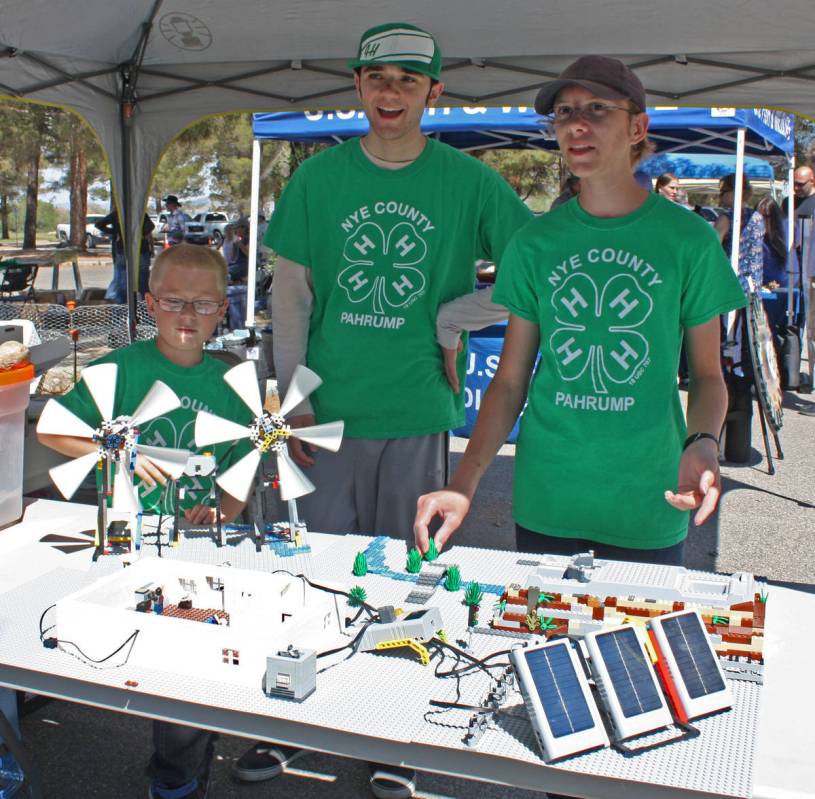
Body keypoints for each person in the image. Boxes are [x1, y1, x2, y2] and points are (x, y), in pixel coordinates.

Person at [242, 21, 532, 799]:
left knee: (403, 579)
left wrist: (454, 317)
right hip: (323, 416)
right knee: (305, 578)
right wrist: (290, 398)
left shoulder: (467, 182)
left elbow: (531, 266)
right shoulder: (319, 178)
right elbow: (291, 295)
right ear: (358, 87)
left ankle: (388, 734)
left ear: (435, 92)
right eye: (377, 77)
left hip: (413, 411)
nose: (391, 91)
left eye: (409, 78)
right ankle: (285, 721)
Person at [414, 56, 745, 581]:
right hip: (549, 497)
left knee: (637, 654)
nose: (575, 124)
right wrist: (464, 483)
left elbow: (707, 376)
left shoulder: (689, 241)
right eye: (564, 112)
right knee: (541, 648)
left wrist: (702, 443)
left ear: (638, 127)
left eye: (596, 109)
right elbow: (510, 381)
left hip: (649, 500)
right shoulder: (535, 242)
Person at [38, 244, 253, 799]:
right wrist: (115, 447)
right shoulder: (120, 369)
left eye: (203, 305)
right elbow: (52, 430)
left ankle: (177, 779)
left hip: (197, 553)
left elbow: (239, 472)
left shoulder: (233, 389)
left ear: (222, 311)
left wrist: (221, 515)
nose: (188, 317)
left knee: (185, 675)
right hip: (124, 543)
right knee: (111, 653)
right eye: (175, 302)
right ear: (150, 304)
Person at [714, 173, 765, 295]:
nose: (720, 196)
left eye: (723, 191)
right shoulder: (758, 217)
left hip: (731, 282)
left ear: (735, 191)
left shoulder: (726, 218)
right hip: (754, 282)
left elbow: (712, 248)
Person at [95, 210, 156, 301]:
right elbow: (151, 226)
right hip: (139, 248)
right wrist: (139, 233)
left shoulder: (118, 213)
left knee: (122, 284)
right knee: (142, 282)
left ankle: (123, 309)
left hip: (123, 249)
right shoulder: (139, 211)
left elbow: (99, 224)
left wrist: (116, 231)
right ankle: (144, 308)